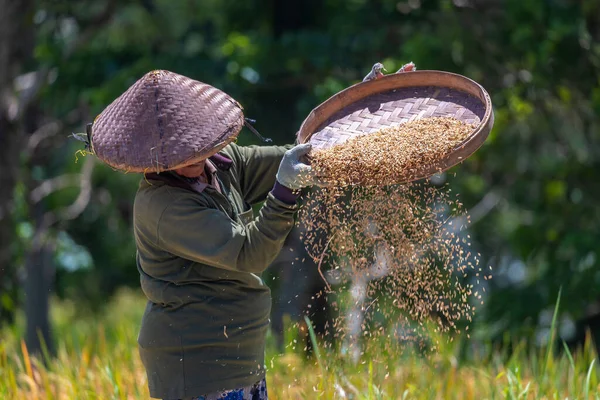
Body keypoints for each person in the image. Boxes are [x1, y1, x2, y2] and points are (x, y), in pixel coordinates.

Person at [82, 70, 321, 399]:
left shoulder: (222, 164)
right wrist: (284, 193)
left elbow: (295, 159)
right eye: (174, 156)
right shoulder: (164, 207)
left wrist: (347, 117)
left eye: (194, 148)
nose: (187, 161)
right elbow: (249, 252)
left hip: (240, 359)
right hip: (198, 368)